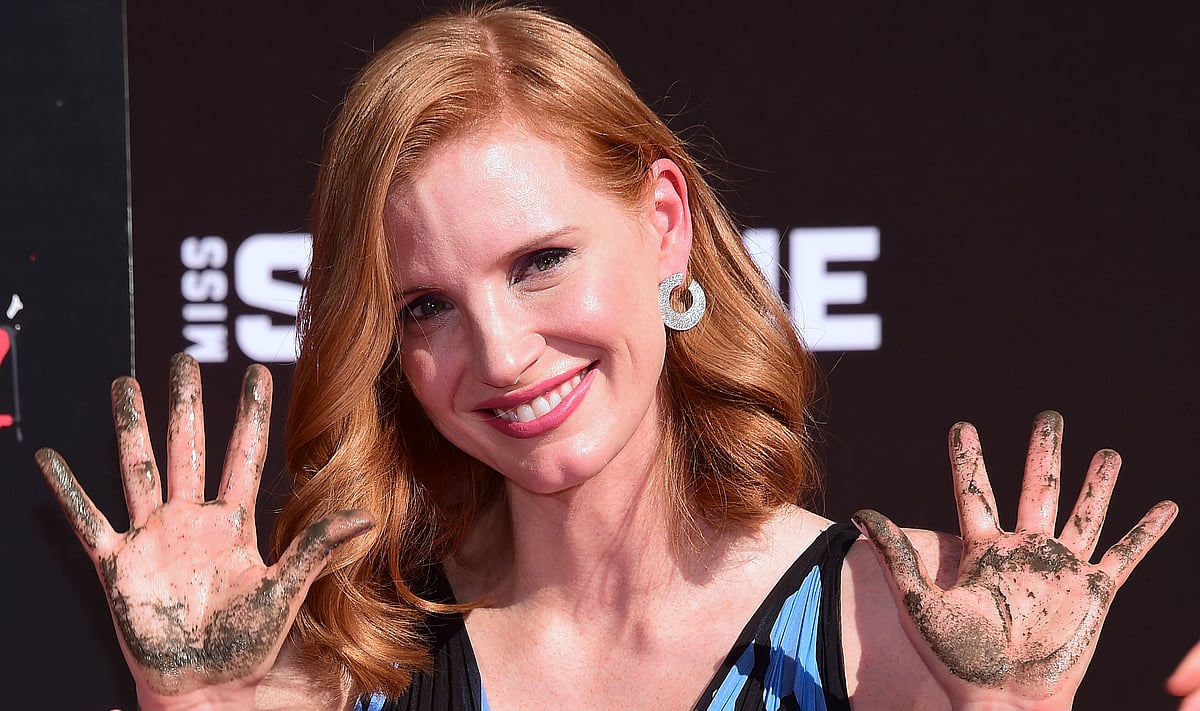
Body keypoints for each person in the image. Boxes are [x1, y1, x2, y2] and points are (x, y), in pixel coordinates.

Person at [36, 5, 1178, 711]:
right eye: (425, 305)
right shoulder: (335, 670)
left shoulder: (911, 623)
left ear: (664, 222)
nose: (500, 353)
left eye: (540, 262)